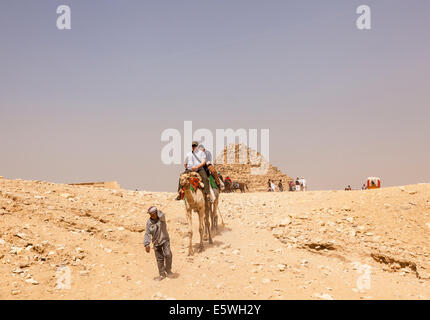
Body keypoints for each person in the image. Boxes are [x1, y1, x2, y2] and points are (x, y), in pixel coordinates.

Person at [143, 206, 173, 281]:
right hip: (156, 242)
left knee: (168, 254)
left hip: (165, 240)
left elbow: (162, 215)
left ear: (156, 213)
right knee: (159, 259)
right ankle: (162, 274)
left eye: (153, 214)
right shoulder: (149, 222)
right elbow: (147, 233)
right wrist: (147, 244)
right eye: (150, 214)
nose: (152, 216)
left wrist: (158, 212)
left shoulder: (161, 218)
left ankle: (168, 270)